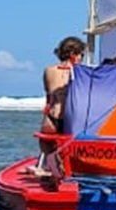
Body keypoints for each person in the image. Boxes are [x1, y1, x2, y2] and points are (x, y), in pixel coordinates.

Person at [37, 36, 86, 175]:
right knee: (67, 157)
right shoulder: (80, 72)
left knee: (48, 151)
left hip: (50, 117)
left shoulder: (49, 70)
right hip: (69, 118)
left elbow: (48, 94)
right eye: (81, 54)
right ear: (73, 54)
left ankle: (51, 170)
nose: (81, 58)